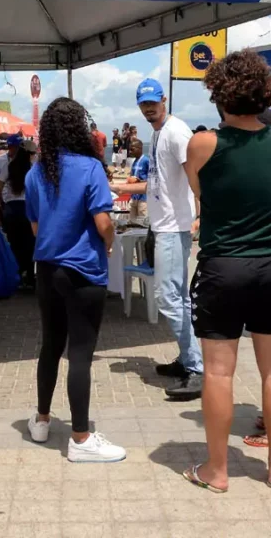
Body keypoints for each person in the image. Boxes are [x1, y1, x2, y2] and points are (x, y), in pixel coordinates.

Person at [182, 49, 271, 492]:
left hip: (223, 266)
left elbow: (200, 191)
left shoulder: (203, 143)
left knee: (218, 372)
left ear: (218, 94)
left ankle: (217, 472)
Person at [24, 97, 126, 463]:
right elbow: (103, 223)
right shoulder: (90, 168)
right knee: (80, 353)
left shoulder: (36, 172)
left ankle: (40, 419)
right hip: (83, 269)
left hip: (47, 269)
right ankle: (81, 438)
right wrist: (110, 245)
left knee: (50, 345)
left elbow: (36, 227)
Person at [112, 78, 203, 400]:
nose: (148, 108)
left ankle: (197, 368)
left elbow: (195, 173)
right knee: (178, 297)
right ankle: (188, 359)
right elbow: (158, 185)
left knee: (168, 298)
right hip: (164, 224)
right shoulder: (159, 133)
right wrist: (122, 188)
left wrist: (198, 214)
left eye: (152, 102)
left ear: (163, 99)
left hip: (173, 227)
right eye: (143, 104)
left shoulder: (176, 132)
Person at [0, 145, 36, 289]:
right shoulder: (32, 169)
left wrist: (2, 203)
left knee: (14, 244)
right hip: (28, 209)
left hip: (12, 209)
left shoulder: (10, 166)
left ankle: (17, 276)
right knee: (30, 244)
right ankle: (30, 277)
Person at [0, 133, 22, 222]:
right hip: (4, 204)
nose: (19, 149)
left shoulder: (25, 161)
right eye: (17, 146)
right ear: (10, 147)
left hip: (23, 204)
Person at [127, 138, 149, 222]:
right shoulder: (135, 162)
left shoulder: (146, 161)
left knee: (144, 222)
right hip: (134, 197)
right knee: (132, 222)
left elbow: (152, 178)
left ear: (139, 148)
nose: (130, 152)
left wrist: (140, 181)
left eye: (132, 149)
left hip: (143, 198)